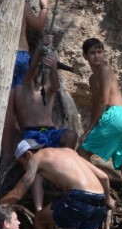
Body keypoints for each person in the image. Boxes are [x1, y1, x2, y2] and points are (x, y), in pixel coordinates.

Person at [78, 38, 122, 229]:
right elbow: (96, 104)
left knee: (81, 154)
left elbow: (102, 101)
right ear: (85, 56)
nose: (97, 56)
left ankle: (102, 193)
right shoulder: (92, 78)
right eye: (92, 53)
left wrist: (89, 129)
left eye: (100, 51)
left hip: (117, 116)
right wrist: (92, 125)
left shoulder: (105, 70)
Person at [1, 139, 116, 229]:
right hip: (100, 201)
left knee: (39, 219)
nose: (24, 168)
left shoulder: (35, 158)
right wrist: (108, 199)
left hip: (79, 199)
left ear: (28, 154)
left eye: (22, 164)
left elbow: (17, 194)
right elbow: (104, 177)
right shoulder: (70, 152)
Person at [16, 37, 79, 211]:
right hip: (33, 133)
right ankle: (38, 208)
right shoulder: (28, 87)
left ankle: (65, 170)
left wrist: (53, 66)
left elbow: (56, 85)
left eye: (40, 69)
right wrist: (39, 47)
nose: (38, 71)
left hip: (50, 131)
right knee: (37, 168)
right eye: (38, 69)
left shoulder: (49, 89)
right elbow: (30, 70)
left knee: (71, 135)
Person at [1, 0, 51, 162]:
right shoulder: (22, 6)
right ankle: (31, 144)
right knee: (21, 107)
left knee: (8, 111)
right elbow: (39, 25)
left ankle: (7, 154)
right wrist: (45, 7)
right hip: (23, 56)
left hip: (7, 57)